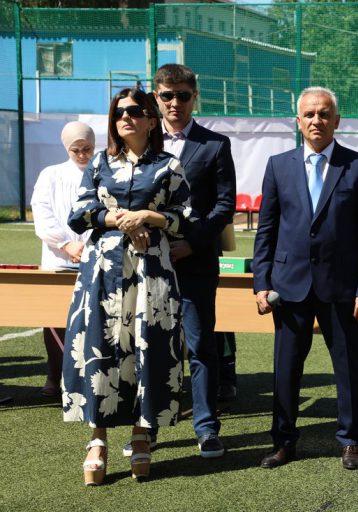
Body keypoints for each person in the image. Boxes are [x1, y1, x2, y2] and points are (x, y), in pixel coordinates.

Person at [62, 88, 193, 485]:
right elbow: (79, 213)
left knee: (146, 347)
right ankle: (97, 440)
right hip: (103, 271)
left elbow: (184, 217)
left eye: (135, 111)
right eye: (119, 112)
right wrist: (120, 219)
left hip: (151, 271)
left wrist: (148, 217)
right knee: (100, 348)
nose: (126, 117)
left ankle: (141, 434)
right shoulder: (100, 162)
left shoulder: (169, 165)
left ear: (151, 120)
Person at [252, 86, 358, 470]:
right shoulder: (278, 166)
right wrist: (261, 282)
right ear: (298, 121)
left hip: (342, 288)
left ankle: (351, 441)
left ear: (336, 120)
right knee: (286, 368)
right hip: (288, 285)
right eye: (309, 114)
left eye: (324, 114)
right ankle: (283, 441)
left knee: (348, 366)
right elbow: (266, 229)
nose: (316, 120)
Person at [121, 64, 237, 459]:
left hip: (195, 262)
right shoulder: (140, 142)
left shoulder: (215, 144)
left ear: (194, 98)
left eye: (183, 95)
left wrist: (193, 243)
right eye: (168, 96)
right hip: (146, 264)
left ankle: (206, 428)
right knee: (149, 346)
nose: (175, 103)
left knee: (201, 345)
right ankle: (148, 428)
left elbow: (224, 205)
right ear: (156, 98)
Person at [30, 121, 95, 398]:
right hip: (58, 260)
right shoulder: (51, 174)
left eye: (87, 148)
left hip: (94, 258)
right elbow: (42, 212)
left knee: (93, 319)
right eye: (75, 149)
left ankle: (87, 378)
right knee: (54, 320)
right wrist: (66, 244)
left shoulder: (102, 171)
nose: (82, 154)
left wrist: (88, 246)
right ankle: (54, 375)